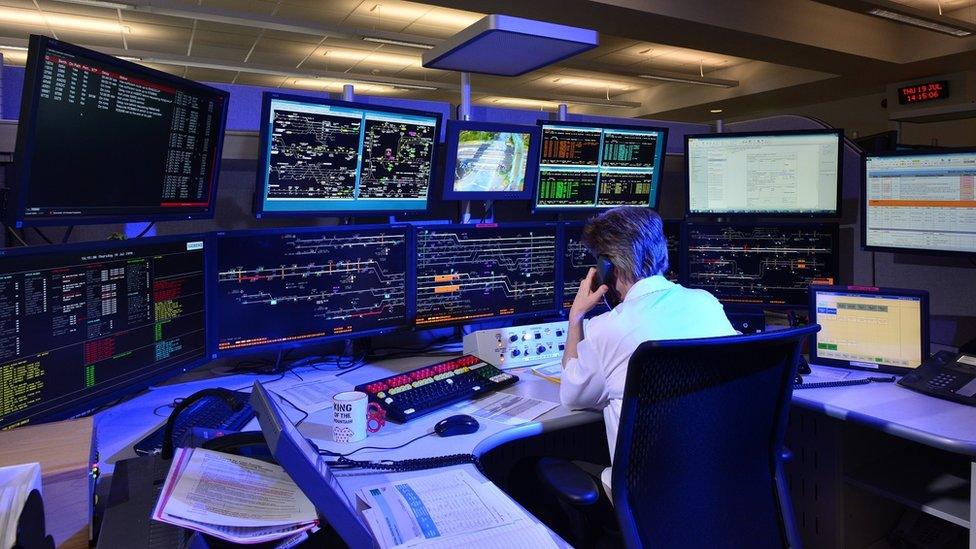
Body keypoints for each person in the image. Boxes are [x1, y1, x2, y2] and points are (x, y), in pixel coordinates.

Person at [561, 207, 737, 496]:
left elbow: (572, 396)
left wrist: (576, 317)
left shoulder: (608, 327)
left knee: (531, 469)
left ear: (608, 268)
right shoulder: (707, 303)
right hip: (714, 486)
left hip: (643, 496)